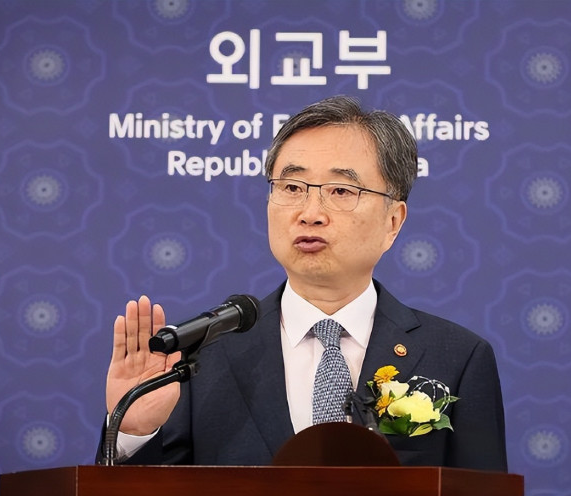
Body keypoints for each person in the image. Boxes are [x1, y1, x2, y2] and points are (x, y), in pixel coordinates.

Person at [97, 95, 508, 470]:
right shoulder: (199, 358)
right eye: (292, 187)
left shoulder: (457, 358)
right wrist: (133, 432)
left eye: (341, 190)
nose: (310, 213)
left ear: (393, 222)